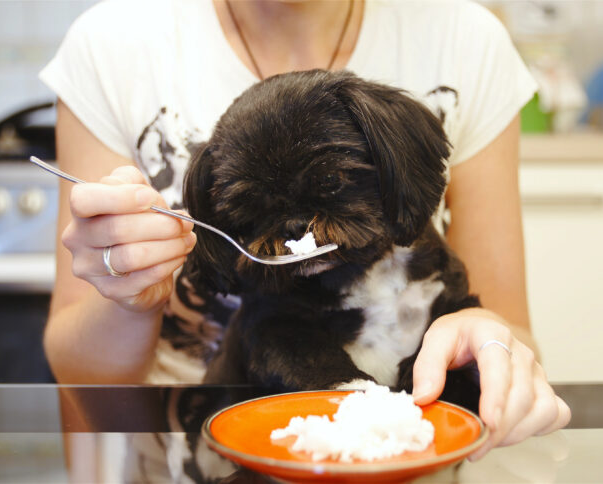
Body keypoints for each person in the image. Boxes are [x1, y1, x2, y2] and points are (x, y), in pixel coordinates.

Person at [40, 0, 570, 461]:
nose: (298, 230)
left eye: (332, 184)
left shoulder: (465, 39)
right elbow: (78, 371)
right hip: (194, 452)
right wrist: (128, 293)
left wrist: (490, 345)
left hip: (420, 455)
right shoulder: (113, 46)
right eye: (254, 216)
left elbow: (512, 334)